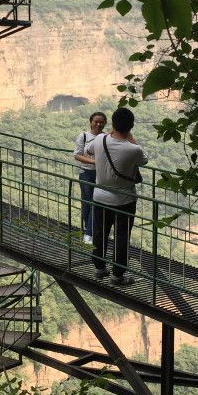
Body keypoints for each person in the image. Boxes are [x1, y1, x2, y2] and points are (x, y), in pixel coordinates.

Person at [89, 107, 147, 286]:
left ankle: (99, 268)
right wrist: (129, 137)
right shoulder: (134, 149)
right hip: (124, 201)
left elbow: (89, 150)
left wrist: (109, 135)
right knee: (121, 237)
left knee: (100, 233)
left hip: (99, 197)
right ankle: (117, 275)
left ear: (112, 124)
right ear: (131, 127)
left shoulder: (99, 139)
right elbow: (143, 161)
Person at [73, 112, 107, 244]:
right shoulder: (84, 136)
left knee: (95, 202)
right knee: (87, 202)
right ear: (91, 122)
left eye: (101, 122)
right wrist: (93, 162)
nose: (98, 124)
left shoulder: (106, 137)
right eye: (96, 121)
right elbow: (77, 155)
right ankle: (89, 230)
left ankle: (89, 234)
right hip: (86, 172)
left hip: (101, 174)